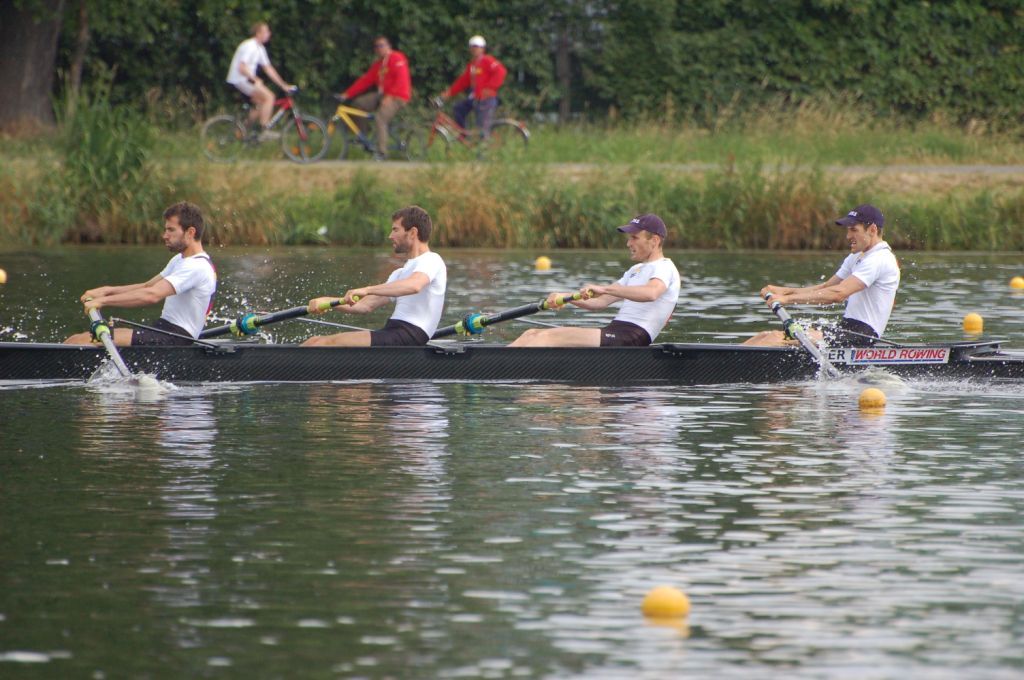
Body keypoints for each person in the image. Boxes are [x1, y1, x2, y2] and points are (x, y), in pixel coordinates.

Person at [509, 214, 680, 347]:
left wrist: (605, 289)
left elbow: (651, 293)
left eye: (634, 238)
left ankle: (492, 366)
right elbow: (600, 302)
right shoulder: (634, 271)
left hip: (633, 337)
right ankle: (491, 362)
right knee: (531, 334)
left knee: (545, 337)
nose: (628, 243)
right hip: (615, 332)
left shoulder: (665, 267)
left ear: (655, 240)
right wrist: (565, 297)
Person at [743, 203, 900, 347]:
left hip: (862, 336)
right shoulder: (857, 257)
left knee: (774, 340)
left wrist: (787, 299)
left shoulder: (880, 259)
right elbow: (827, 287)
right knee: (765, 336)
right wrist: (784, 291)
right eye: (848, 230)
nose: (848, 236)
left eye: (854, 230)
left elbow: (838, 294)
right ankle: (724, 361)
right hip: (846, 329)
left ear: (872, 229)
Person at [65, 202, 217, 347]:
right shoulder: (180, 260)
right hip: (163, 330)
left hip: (176, 338)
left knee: (80, 341)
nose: (165, 235)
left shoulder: (196, 266)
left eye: (171, 230)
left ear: (190, 232)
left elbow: (151, 295)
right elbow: (147, 286)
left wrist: (102, 302)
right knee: (74, 339)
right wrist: (106, 291)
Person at [302, 206, 446, 347]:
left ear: (413, 232)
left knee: (320, 344)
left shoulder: (432, 260)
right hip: (395, 332)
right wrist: (328, 301)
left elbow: (414, 286)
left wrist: (367, 289)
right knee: (314, 341)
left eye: (395, 230)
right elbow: (364, 306)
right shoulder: (400, 274)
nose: (390, 236)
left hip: (411, 334)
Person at [338, 36, 412, 160]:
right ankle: (363, 136)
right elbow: (365, 80)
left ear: (388, 46)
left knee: (380, 119)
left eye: (381, 45)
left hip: (398, 97)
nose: (379, 49)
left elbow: (401, 80)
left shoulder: (397, 58)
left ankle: (382, 152)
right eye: (376, 46)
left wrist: (390, 97)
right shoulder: (378, 65)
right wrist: (347, 94)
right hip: (382, 95)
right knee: (359, 104)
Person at [225, 21, 295, 136]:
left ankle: (242, 131)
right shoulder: (250, 46)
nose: (269, 33)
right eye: (266, 31)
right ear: (258, 33)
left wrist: (283, 85)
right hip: (240, 79)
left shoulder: (259, 48)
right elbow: (241, 67)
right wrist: (255, 79)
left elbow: (268, 69)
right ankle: (264, 130)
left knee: (260, 104)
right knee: (269, 97)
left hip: (245, 79)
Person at [439, 35, 507, 139]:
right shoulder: (472, 65)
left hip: (486, 99)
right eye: (473, 47)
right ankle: (464, 136)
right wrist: (449, 93)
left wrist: (490, 87)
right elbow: (462, 81)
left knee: (482, 129)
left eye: (478, 47)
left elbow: (501, 71)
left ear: (483, 48)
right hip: (476, 98)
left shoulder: (488, 60)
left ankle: (483, 152)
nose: (475, 49)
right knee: (458, 108)